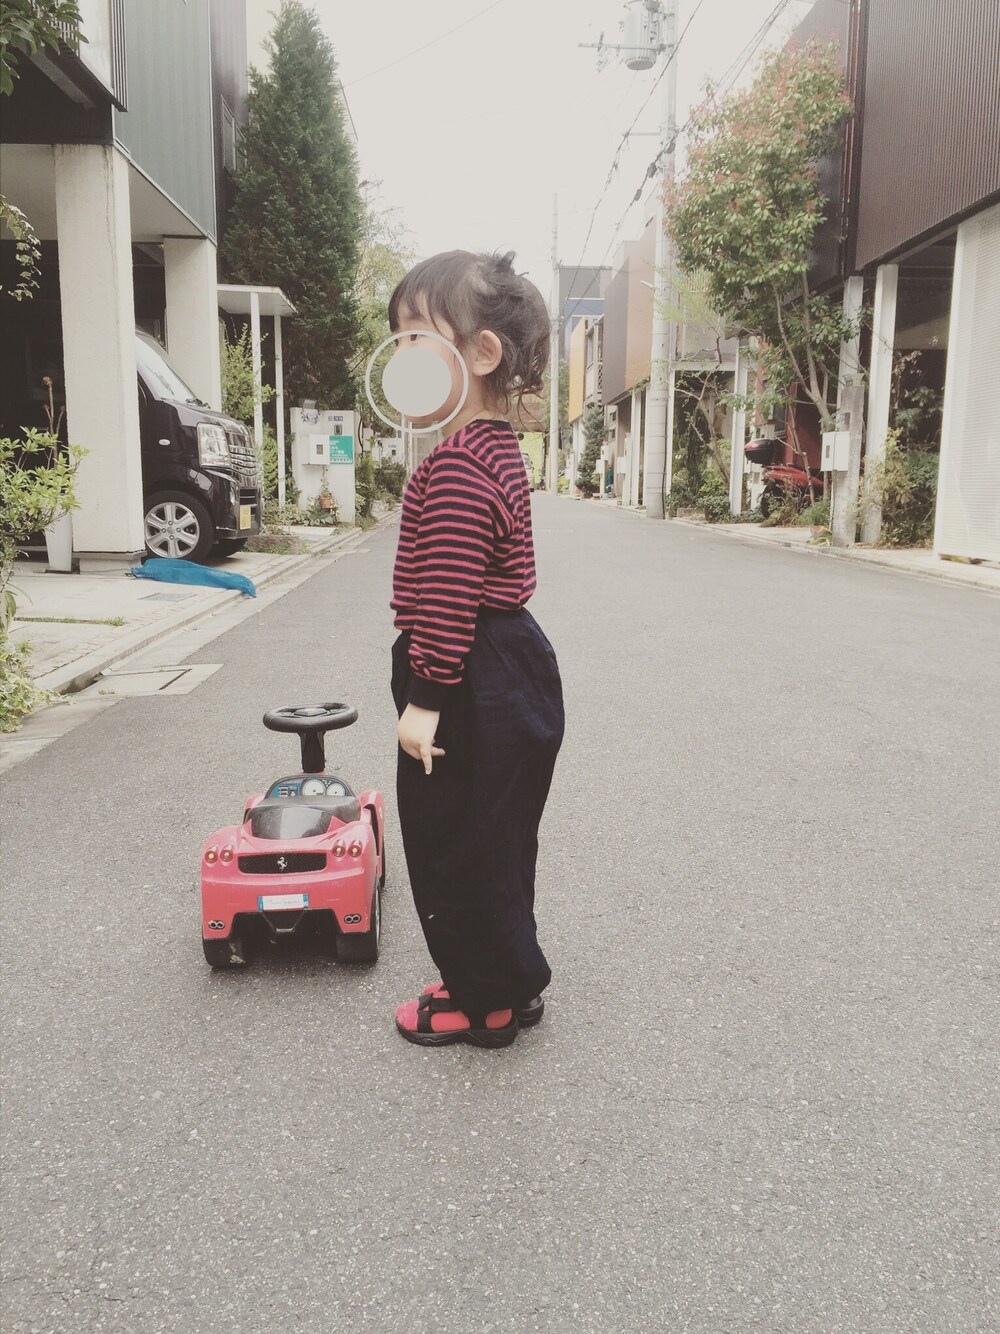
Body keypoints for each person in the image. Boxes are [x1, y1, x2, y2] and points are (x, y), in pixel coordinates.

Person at [388, 250, 565, 1049]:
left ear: (482, 353)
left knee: (453, 840)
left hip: (465, 672)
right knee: (496, 835)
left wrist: (425, 700)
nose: (400, 358)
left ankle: (484, 1001)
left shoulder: (459, 465)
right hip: (504, 663)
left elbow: (450, 592)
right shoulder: (494, 448)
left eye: (414, 338)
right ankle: (503, 977)